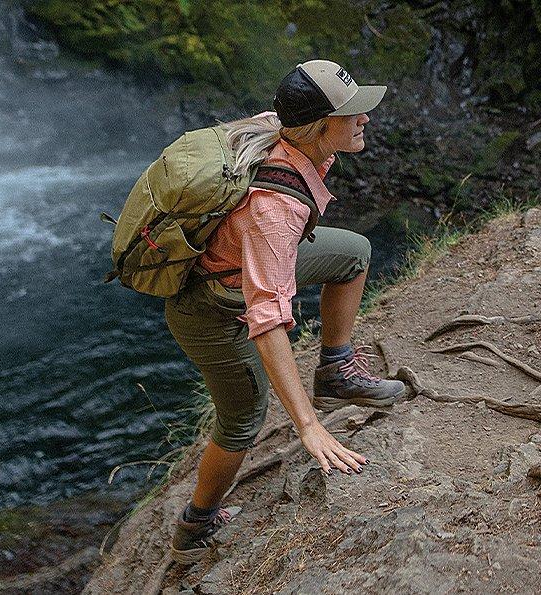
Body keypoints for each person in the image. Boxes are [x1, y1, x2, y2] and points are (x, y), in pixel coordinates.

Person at [164, 59, 407, 563]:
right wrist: (308, 425)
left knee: (353, 254)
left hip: (240, 262)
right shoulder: (274, 208)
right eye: (353, 113)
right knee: (242, 420)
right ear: (321, 126)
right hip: (209, 309)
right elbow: (267, 319)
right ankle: (195, 526)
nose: (365, 119)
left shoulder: (287, 127)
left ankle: (337, 369)